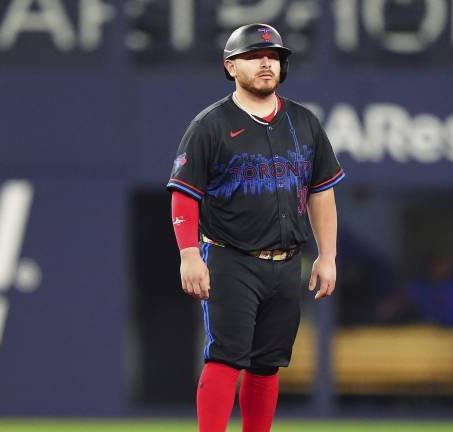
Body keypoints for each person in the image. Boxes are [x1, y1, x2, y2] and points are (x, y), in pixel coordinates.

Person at [166, 23, 344, 432]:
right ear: (231, 66)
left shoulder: (303, 122)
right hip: (231, 258)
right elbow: (184, 193)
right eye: (254, 56)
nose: (266, 63)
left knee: (267, 363)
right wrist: (189, 254)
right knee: (226, 356)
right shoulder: (210, 125)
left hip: (286, 262)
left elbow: (321, 192)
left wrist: (328, 255)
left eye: (274, 57)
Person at [405, 254, 453, 327]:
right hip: (428, 329)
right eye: (435, 265)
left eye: (442, 265)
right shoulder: (419, 285)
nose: (438, 269)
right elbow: (403, 302)